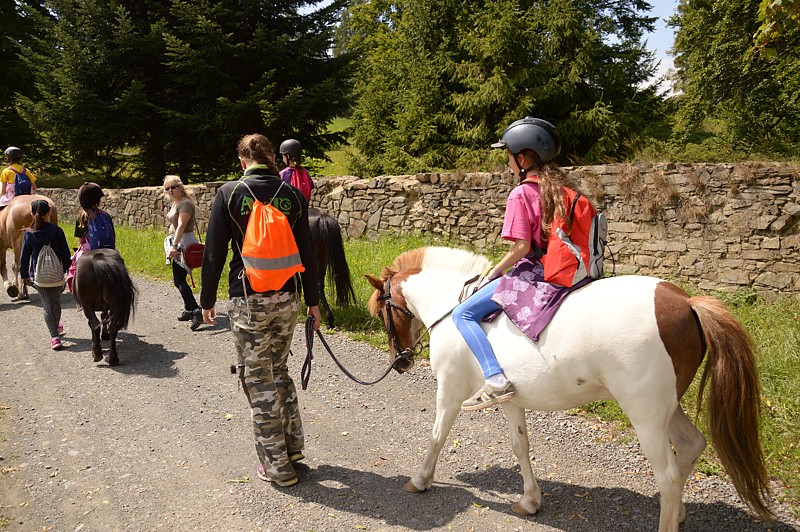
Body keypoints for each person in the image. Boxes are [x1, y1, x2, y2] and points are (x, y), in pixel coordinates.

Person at [200, 133, 322, 487]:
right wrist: (313, 302)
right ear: (272, 158)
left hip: (248, 298)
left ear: (242, 161)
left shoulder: (229, 193)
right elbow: (308, 256)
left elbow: (214, 254)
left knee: (257, 379)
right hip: (289, 298)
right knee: (279, 368)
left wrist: (207, 301)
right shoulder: (293, 196)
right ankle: (293, 448)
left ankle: (277, 467)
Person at [454, 117, 595, 411]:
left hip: (535, 273)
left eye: (508, 157)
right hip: (565, 269)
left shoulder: (521, 193)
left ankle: (494, 380)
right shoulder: (563, 190)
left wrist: (492, 273)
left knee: (463, 314)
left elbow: (522, 247)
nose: (507, 164)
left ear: (521, 158)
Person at [19, 199, 71, 350]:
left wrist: (24, 275)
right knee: (55, 302)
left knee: (47, 304)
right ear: (49, 213)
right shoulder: (57, 231)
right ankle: (56, 326)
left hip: (39, 277)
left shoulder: (29, 234)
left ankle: (55, 337)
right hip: (57, 275)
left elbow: (24, 257)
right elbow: (65, 253)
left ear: (32, 214)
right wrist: (69, 272)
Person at [163, 175, 203, 331]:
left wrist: (174, 246)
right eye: (167, 188)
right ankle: (188, 309)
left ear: (180, 187)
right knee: (178, 278)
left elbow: (181, 226)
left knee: (179, 279)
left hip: (183, 243)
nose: (170, 190)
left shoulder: (185, 203)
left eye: (173, 187)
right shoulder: (176, 203)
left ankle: (195, 310)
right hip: (178, 241)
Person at [66, 182, 115, 294]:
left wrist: (78, 251)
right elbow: (112, 234)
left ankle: (78, 294)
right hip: (108, 248)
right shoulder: (105, 215)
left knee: (74, 270)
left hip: (88, 248)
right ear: (96, 200)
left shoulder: (82, 218)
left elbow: (80, 240)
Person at [0, 146, 37, 210]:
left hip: (10, 197)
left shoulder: (6, 171)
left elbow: (3, 190)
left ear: (8, 158)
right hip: (26, 196)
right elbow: (34, 187)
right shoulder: (26, 170)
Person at [278, 139, 314, 203]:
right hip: (304, 208)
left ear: (288, 156)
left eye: (283, 156)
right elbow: (311, 187)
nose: (283, 159)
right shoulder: (305, 172)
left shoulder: (283, 174)